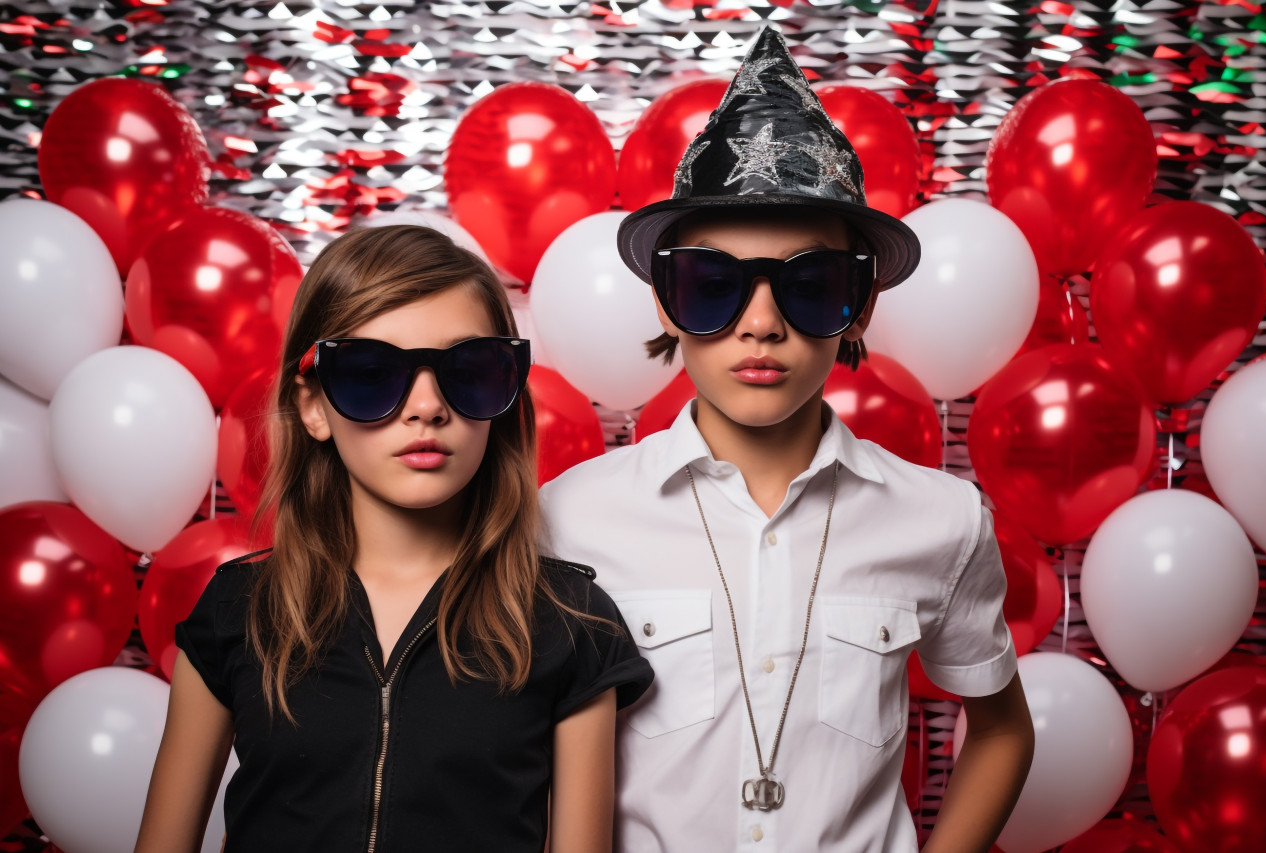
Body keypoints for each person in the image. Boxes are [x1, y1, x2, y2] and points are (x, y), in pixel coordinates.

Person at [540, 26, 1034, 853]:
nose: (761, 324)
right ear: (665, 301)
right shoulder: (569, 518)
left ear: (860, 306)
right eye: (713, 287)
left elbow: (1003, 729)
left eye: (809, 286)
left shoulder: (943, 519)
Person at [134, 225, 653, 853]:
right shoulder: (237, 611)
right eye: (373, 373)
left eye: (470, 371)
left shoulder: (571, 624)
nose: (426, 407)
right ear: (314, 406)